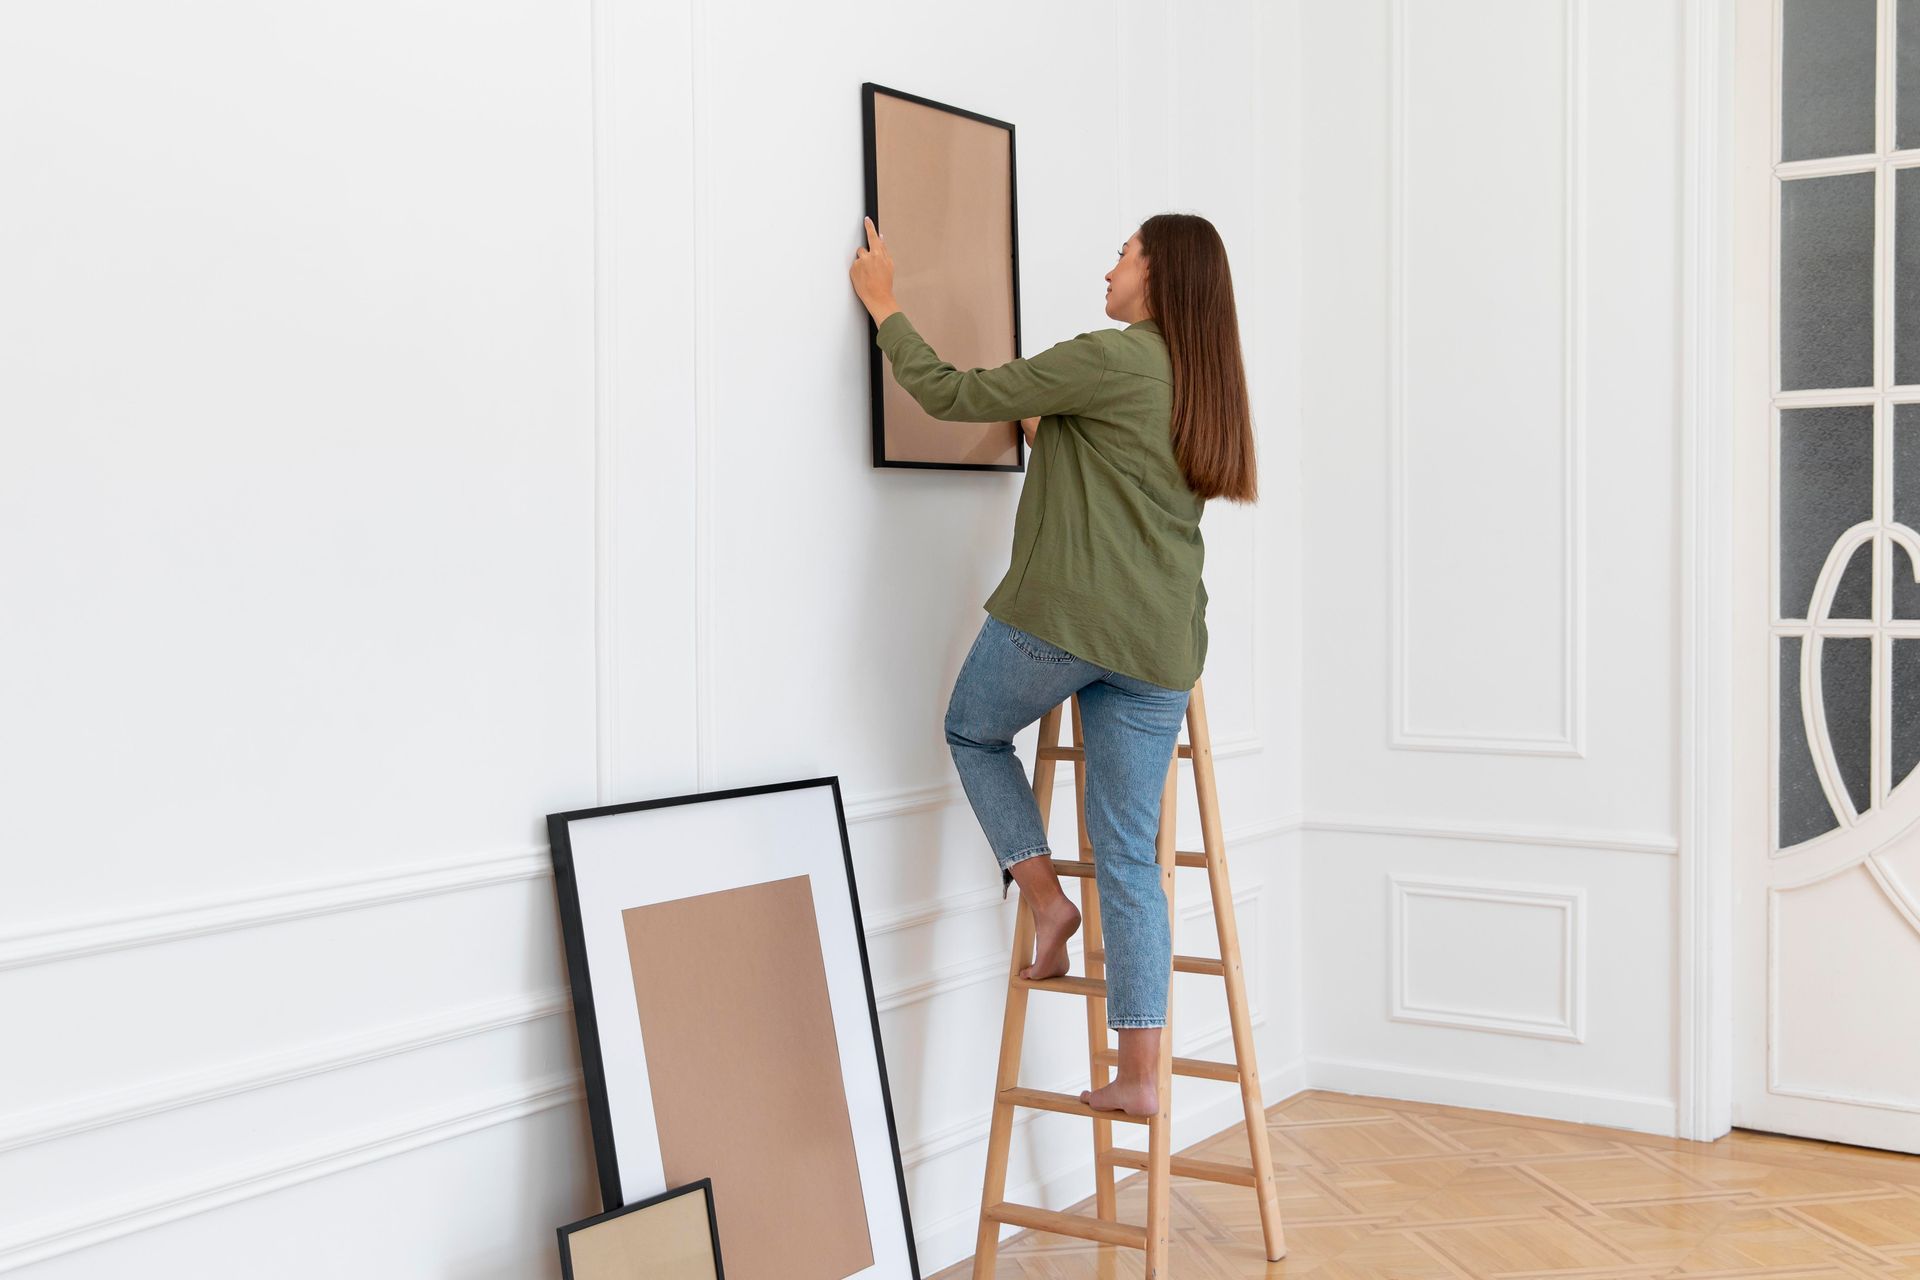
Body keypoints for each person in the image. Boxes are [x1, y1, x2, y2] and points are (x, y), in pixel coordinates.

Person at [848, 212, 1256, 1118]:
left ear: (1157, 276)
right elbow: (1113, 466)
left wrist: (885, 309)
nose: (1109, 269)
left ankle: (1044, 900)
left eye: (1124, 254)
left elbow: (954, 395)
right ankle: (1146, 1077)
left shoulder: (1113, 358)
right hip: (1164, 650)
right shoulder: (1203, 383)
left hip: (1071, 624)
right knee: (1127, 856)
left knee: (971, 727)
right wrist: (1048, 426)